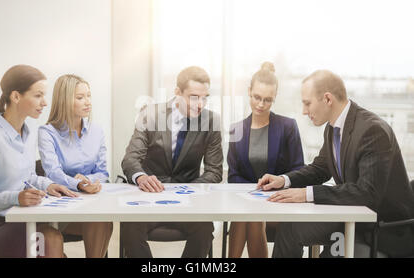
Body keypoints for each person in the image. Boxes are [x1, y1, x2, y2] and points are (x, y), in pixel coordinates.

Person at [258, 69, 414, 257]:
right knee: (290, 228)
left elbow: (367, 193)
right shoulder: (332, 129)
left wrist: (307, 194)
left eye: (307, 103)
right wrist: (284, 180)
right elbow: (320, 168)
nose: (304, 111)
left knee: (328, 254)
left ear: (328, 99)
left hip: (380, 228)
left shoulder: (372, 130)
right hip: (351, 215)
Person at [0, 65, 77, 258]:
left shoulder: (27, 132)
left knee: (53, 240)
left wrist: (49, 185)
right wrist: (15, 197)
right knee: (50, 238)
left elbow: (28, 176)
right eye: (38, 95)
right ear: (16, 96)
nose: (45, 103)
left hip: (18, 218)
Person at [121, 66, 223, 258]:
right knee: (130, 226)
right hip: (149, 197)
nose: (200, 104)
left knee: (204, 228)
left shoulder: (211, 121)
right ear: (177, 92)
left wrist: (187, 190)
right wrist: (141, 177)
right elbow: (131, 158)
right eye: (194, 97)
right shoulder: (150, 114)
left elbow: (215, 171)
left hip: (189, 200)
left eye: (204, 97)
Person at [227, 62, 304, 258]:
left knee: (249, 216)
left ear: (274, 98)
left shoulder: (288, 127)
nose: (261, 104)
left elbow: (299, 170)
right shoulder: (237, 129)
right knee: (247, 215)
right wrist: (254, 194)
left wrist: (271, 189)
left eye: (268, 100)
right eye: (257, 98)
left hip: (279, 200)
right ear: (249, 92)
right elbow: (233, 176)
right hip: (249, 201)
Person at [38, 74, 112, 258]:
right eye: (80, 97)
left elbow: (103, 172)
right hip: (60, 207)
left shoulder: (97, 131)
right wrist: (77, 183)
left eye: (89, 96)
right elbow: (52, 172)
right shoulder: (47, 132)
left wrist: (90, 181)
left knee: (102, 221)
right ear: (63, 101)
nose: (88, 102)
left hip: (90, 204)